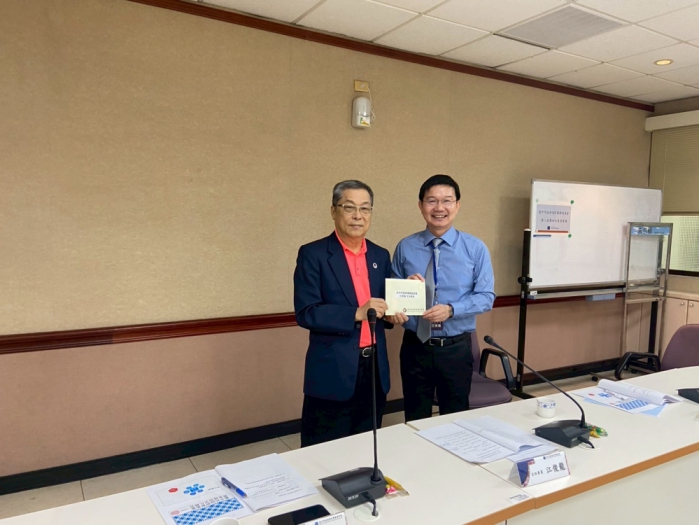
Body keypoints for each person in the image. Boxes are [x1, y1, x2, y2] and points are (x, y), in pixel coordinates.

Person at [294, 180, 393, 447]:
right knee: (324, 449)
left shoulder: (380, 255)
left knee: (366, 446)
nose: (358, 215)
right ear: (333, 211)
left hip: (374, 368)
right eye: (349, 207)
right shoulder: (313, 254)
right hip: (333, 370)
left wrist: (397, 310)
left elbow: (384, 305)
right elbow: (306, 312)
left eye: (365, 208)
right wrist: (355, 313)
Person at [392, 174, 495, 422]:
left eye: (447, 201)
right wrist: (400, 298)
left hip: (456, 348)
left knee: (455, 418)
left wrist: (451, 309)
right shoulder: (405, 247)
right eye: (432, 201)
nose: (439, 208)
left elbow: (486, 297)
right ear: (421, 205)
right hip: (415, 346)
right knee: (415, 417)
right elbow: (393, 298)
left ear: (457, 205)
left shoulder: (475, 248)